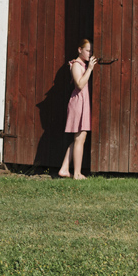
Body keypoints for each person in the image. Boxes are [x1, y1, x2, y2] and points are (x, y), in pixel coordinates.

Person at [58, 37, 97, 179]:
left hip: (83, 102)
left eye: (91, 51)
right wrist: (91, 69)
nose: (90, 53)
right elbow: (79, 84)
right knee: (80, 137)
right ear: (80, 50)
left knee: (79, 138)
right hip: (78, 102)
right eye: (87, 50)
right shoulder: (76, 65)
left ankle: (64, 169)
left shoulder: (83, 65)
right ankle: (77, 173)